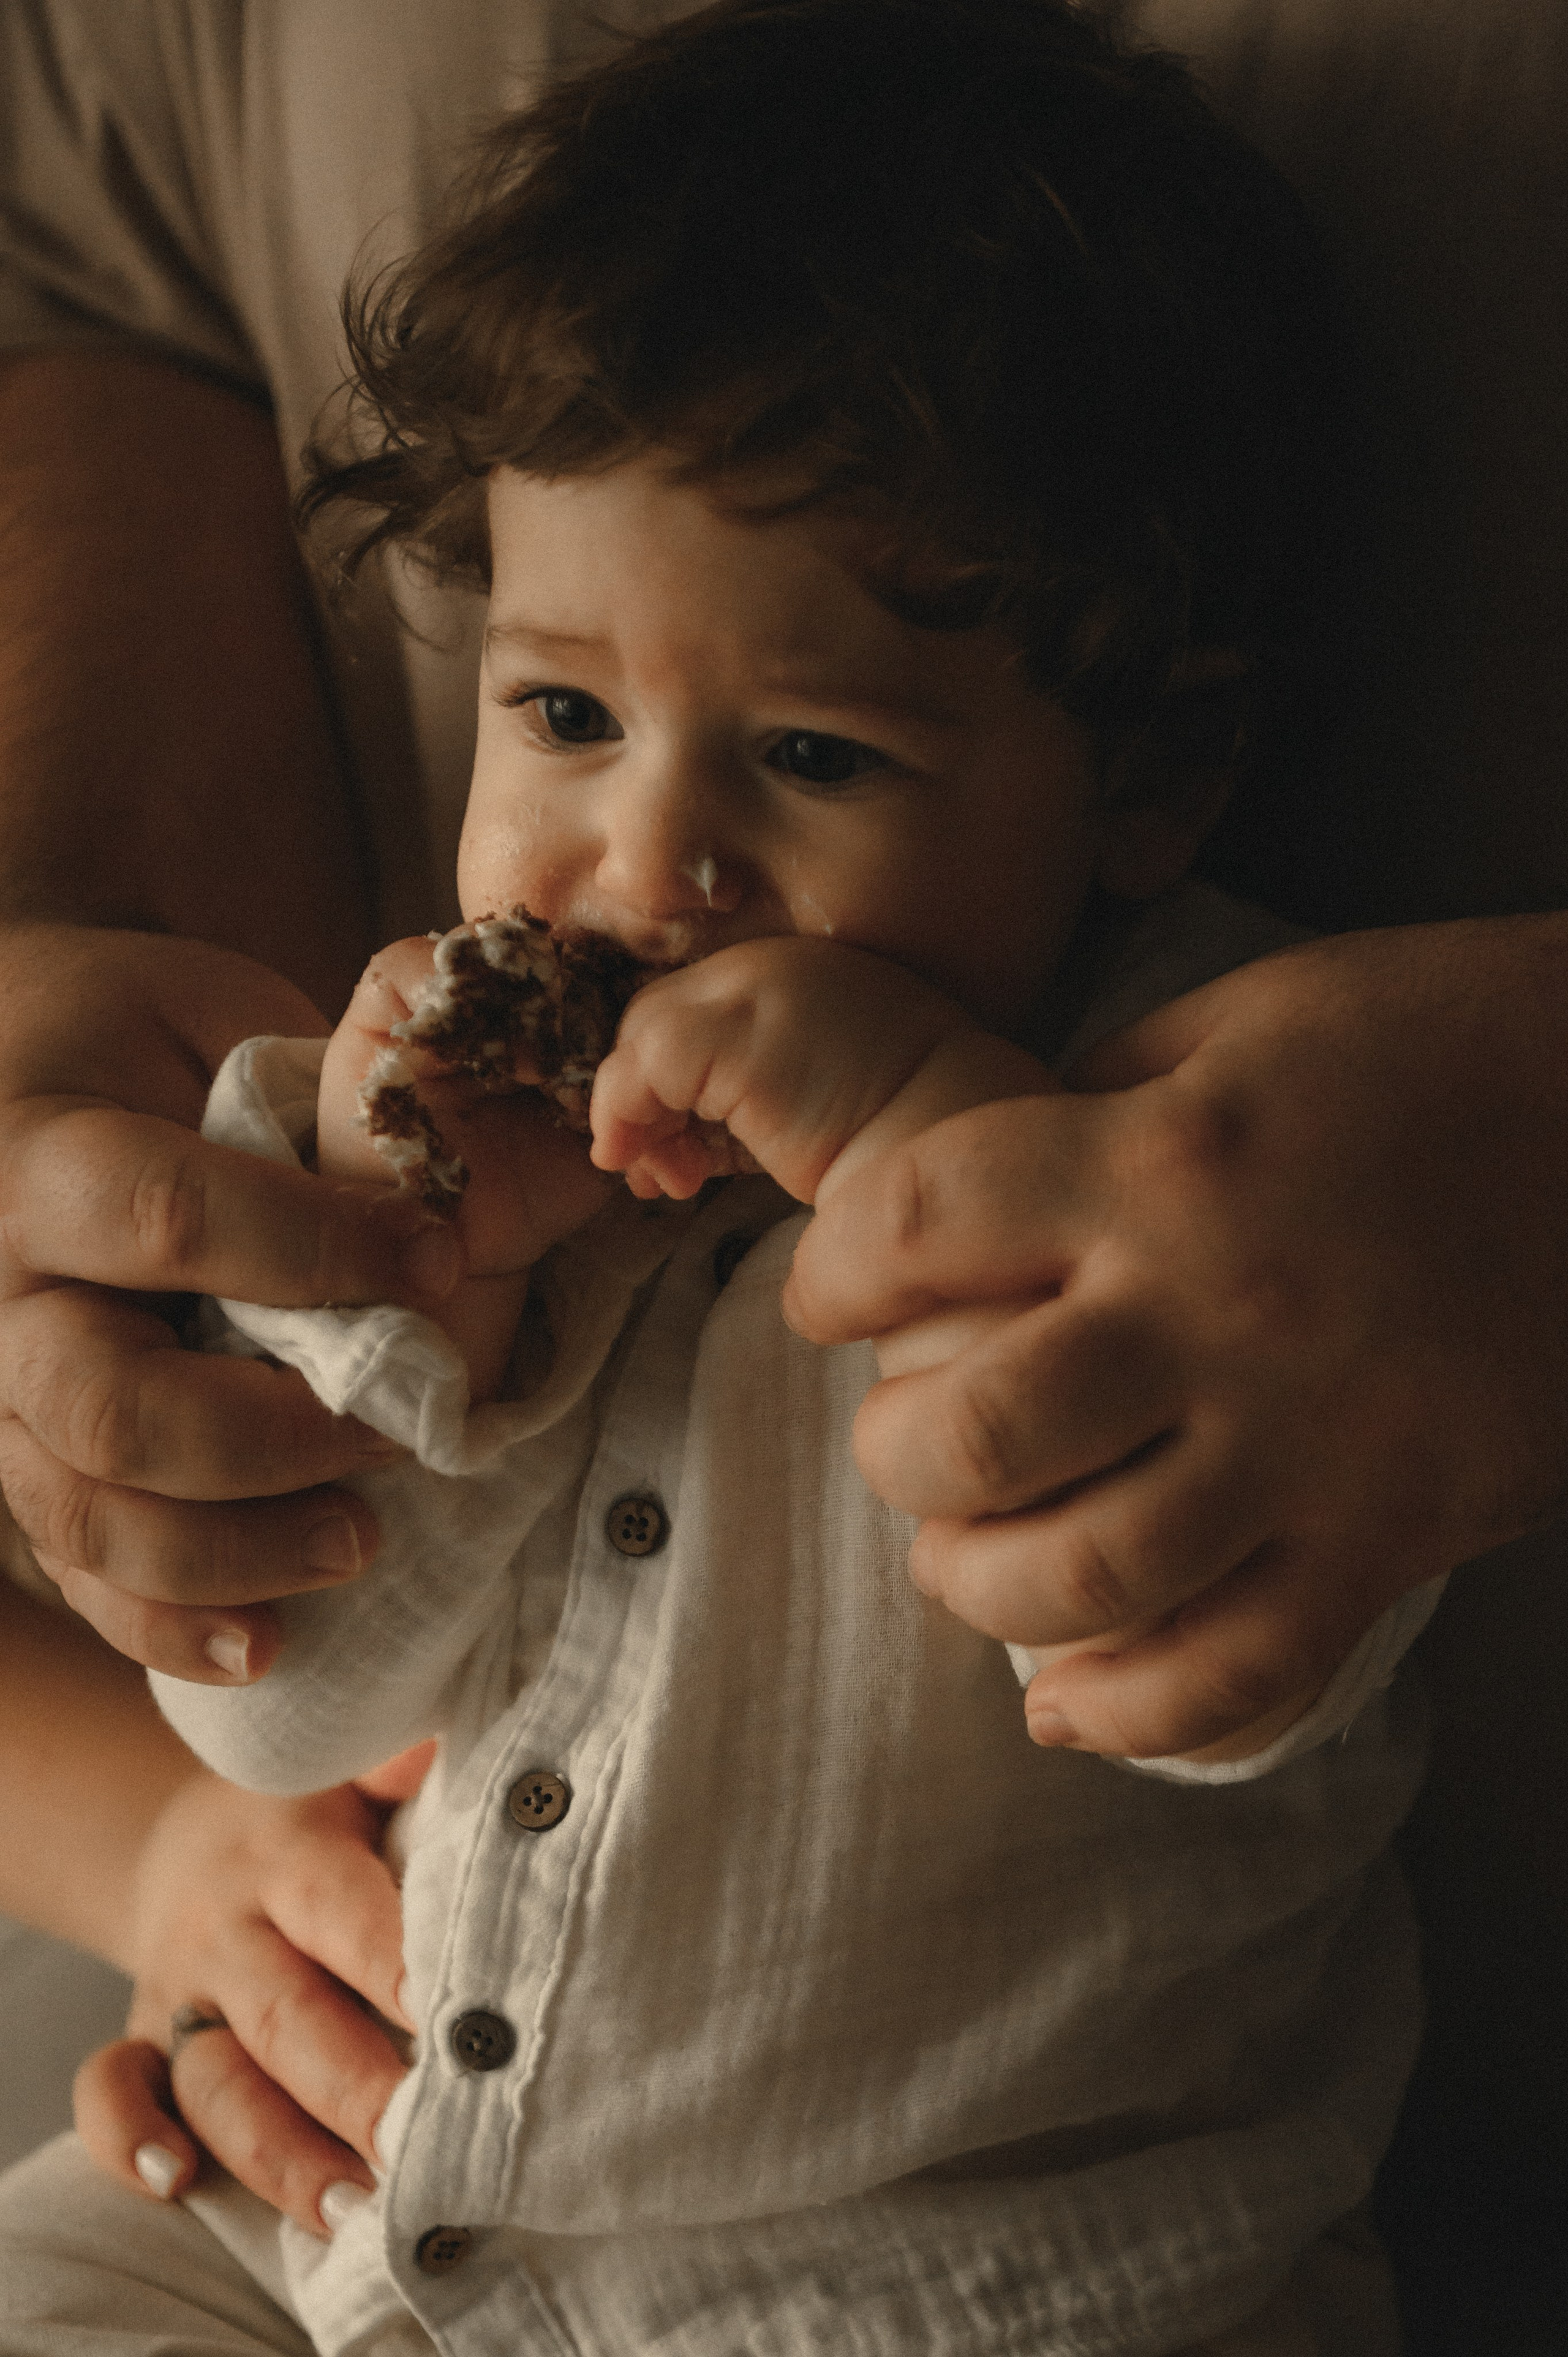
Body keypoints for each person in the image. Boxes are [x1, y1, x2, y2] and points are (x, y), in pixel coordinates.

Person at [0, 0, 1564, 2310]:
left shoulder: (1208, 1138)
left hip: (1003, 2287)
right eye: (561, 714)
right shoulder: (475, 1129)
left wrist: (904, 1138)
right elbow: (282, 1702)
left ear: (1145, 778)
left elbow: (1218, 1698)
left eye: (814, 757)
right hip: (387, 2230)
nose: (650, 863)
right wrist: (409, 1286)